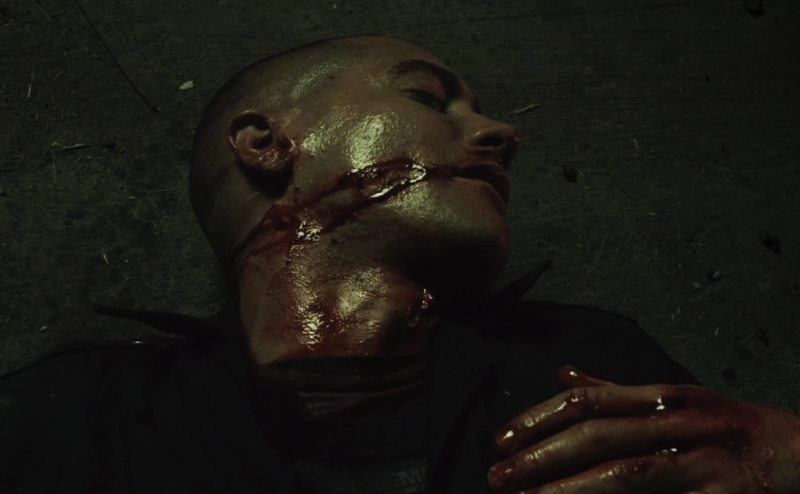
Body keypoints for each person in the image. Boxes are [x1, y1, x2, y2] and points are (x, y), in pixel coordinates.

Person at [1, 34, 799, 494]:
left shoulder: (594, 363)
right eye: (425, 97)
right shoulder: (73, 417)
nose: (500, 133)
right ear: (265, 144)